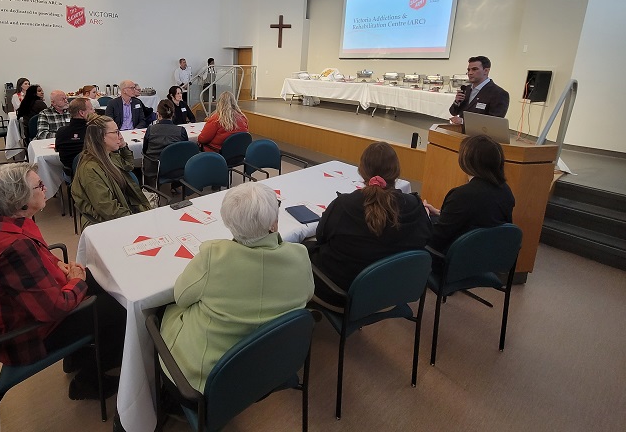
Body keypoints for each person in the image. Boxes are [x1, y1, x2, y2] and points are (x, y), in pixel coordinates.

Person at [0, 163, 123, 400]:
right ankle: (88, 382)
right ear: (19, 201)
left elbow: (36, 267)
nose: (46, 187)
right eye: (39, 185)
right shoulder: (13, 248)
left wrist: (64, 271)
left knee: (105, 277)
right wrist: (76, 281)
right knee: (121, 307)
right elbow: (55, 308)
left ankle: (77, 355)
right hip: (30, 335)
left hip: (27, 312)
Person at [159, 183, 314, 392]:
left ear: (229, 224)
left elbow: (181, 298)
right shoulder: (300, 255)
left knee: (162, 312)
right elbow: (308, 294)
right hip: (274, 364)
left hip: (210, 377)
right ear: (274, 224)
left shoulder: (213, 256)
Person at [308, 142, 432, 307]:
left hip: (342, 295)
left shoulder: (343, 205)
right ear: (397, 172)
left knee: (302, 250)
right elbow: (424, 238)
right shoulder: (415, 207)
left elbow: (321, 237)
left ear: (361, 171)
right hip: (393, 293)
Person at [423, 134, 515, 253]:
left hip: (453, 259)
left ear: (467, 161)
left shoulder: (462, 195)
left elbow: (436, 240)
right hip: (486, 257)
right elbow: (481, 222)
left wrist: (424, 219)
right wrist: (441, 214)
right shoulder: (505, 191)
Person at [71, 114, 151, 226]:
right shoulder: (90, 169)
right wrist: (135, 221)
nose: (120, 136)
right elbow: (108, 209)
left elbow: (128, 166)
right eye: (116, 132)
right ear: (101, 136)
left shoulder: (108, 155)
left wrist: (123, 146)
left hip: (122, 211)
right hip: (104, 222)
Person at [449, 56, 510, 124]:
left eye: (474, 69)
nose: (470, 73)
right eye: (468, 70)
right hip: (458, 132)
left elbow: (494, 122)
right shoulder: (467, 89)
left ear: (486, 71)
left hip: (480, 134)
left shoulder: (499, 93)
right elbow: (453, 112)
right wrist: (457, 102)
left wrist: (463, 121)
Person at [142, 99, 189, 183]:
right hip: (176, 169)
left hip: (154, 169)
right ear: (173, 114)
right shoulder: (181, 130)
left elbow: (144, 150)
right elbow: (184, 150)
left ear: (158, 114)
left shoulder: (151, 130)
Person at [55, 98, 92, 170]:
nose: (94, 111)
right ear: (82, 113)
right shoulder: (93, 131)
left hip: (69, 175)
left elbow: (57, 150)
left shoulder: (61, 132)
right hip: (90, 173)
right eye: (91, 109)